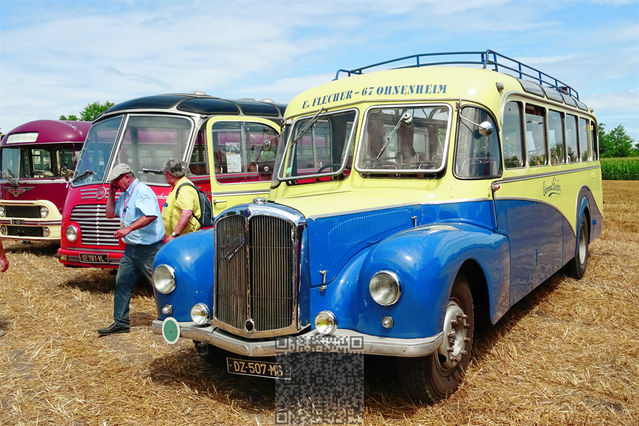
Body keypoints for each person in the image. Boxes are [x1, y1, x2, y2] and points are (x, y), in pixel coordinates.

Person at [98, 163, 165, 336]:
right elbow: (110, 213)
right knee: (122, 283)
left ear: (127, 177)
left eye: (116, 182)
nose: (115, 185)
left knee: (160, 284)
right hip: (131, 249)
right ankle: (120, 322)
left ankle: (173, 317)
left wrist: (128, 229)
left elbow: (150, 215)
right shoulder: (126, 194)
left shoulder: (142, 191)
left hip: (148, 248)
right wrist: (111, 193)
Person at [161, 159, 201, 242]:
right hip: (181, 237)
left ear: (170, 174)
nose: (165, 177)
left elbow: (186, 213)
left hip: (186, 238)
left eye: (165, 174)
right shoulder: (178, 186)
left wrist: (175, 234)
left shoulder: (184, 188)